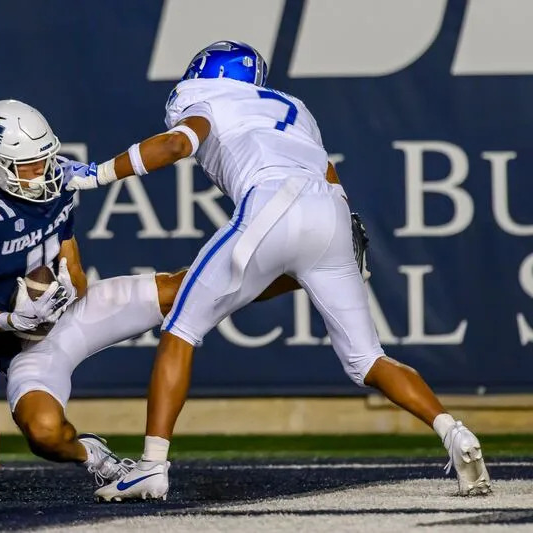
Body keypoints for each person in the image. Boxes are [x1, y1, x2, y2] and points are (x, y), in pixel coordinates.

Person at [66, 41, 491, 501]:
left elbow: (176, 143)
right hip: (329, 212)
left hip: (271, 202)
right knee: (368, 359)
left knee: (181, 330)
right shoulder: (294, 106)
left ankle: (150, 467)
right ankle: (454, 433)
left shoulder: (208, 98)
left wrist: (92, 175)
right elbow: (330, 175)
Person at [0, 98, 305, 489]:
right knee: (45, 433)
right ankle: (94, 455)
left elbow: (75, 271)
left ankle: (303, 273)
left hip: (74, 311)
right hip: (27, 344)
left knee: (191, 287)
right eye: (29, 164)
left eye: (46, 158)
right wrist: (13, 319)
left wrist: (67, 287)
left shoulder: (57, 181)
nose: (44, 171)